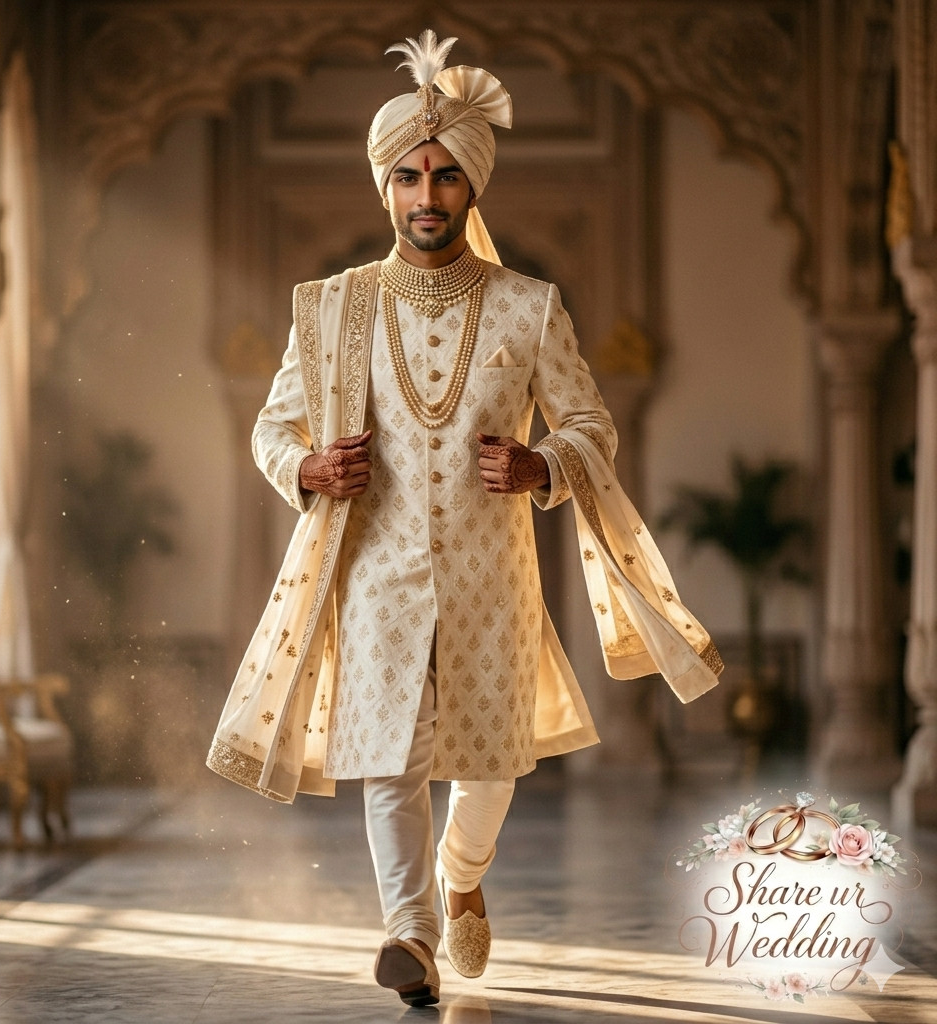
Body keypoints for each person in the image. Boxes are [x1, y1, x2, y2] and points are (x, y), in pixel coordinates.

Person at [208, 30, 722, 1007]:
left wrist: (542, 463)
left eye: (445, 176)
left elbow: (591, 427)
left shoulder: (530, 309)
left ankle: (459, 875)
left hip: (495, 576)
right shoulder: (333, 308)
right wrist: (307, 465)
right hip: (375, 577)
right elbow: (273, 431)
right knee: (385, 757)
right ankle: (408, 933)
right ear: (385, 186)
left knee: (489, 763)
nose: (427, 196)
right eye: (409, 175)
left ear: (471, 188)